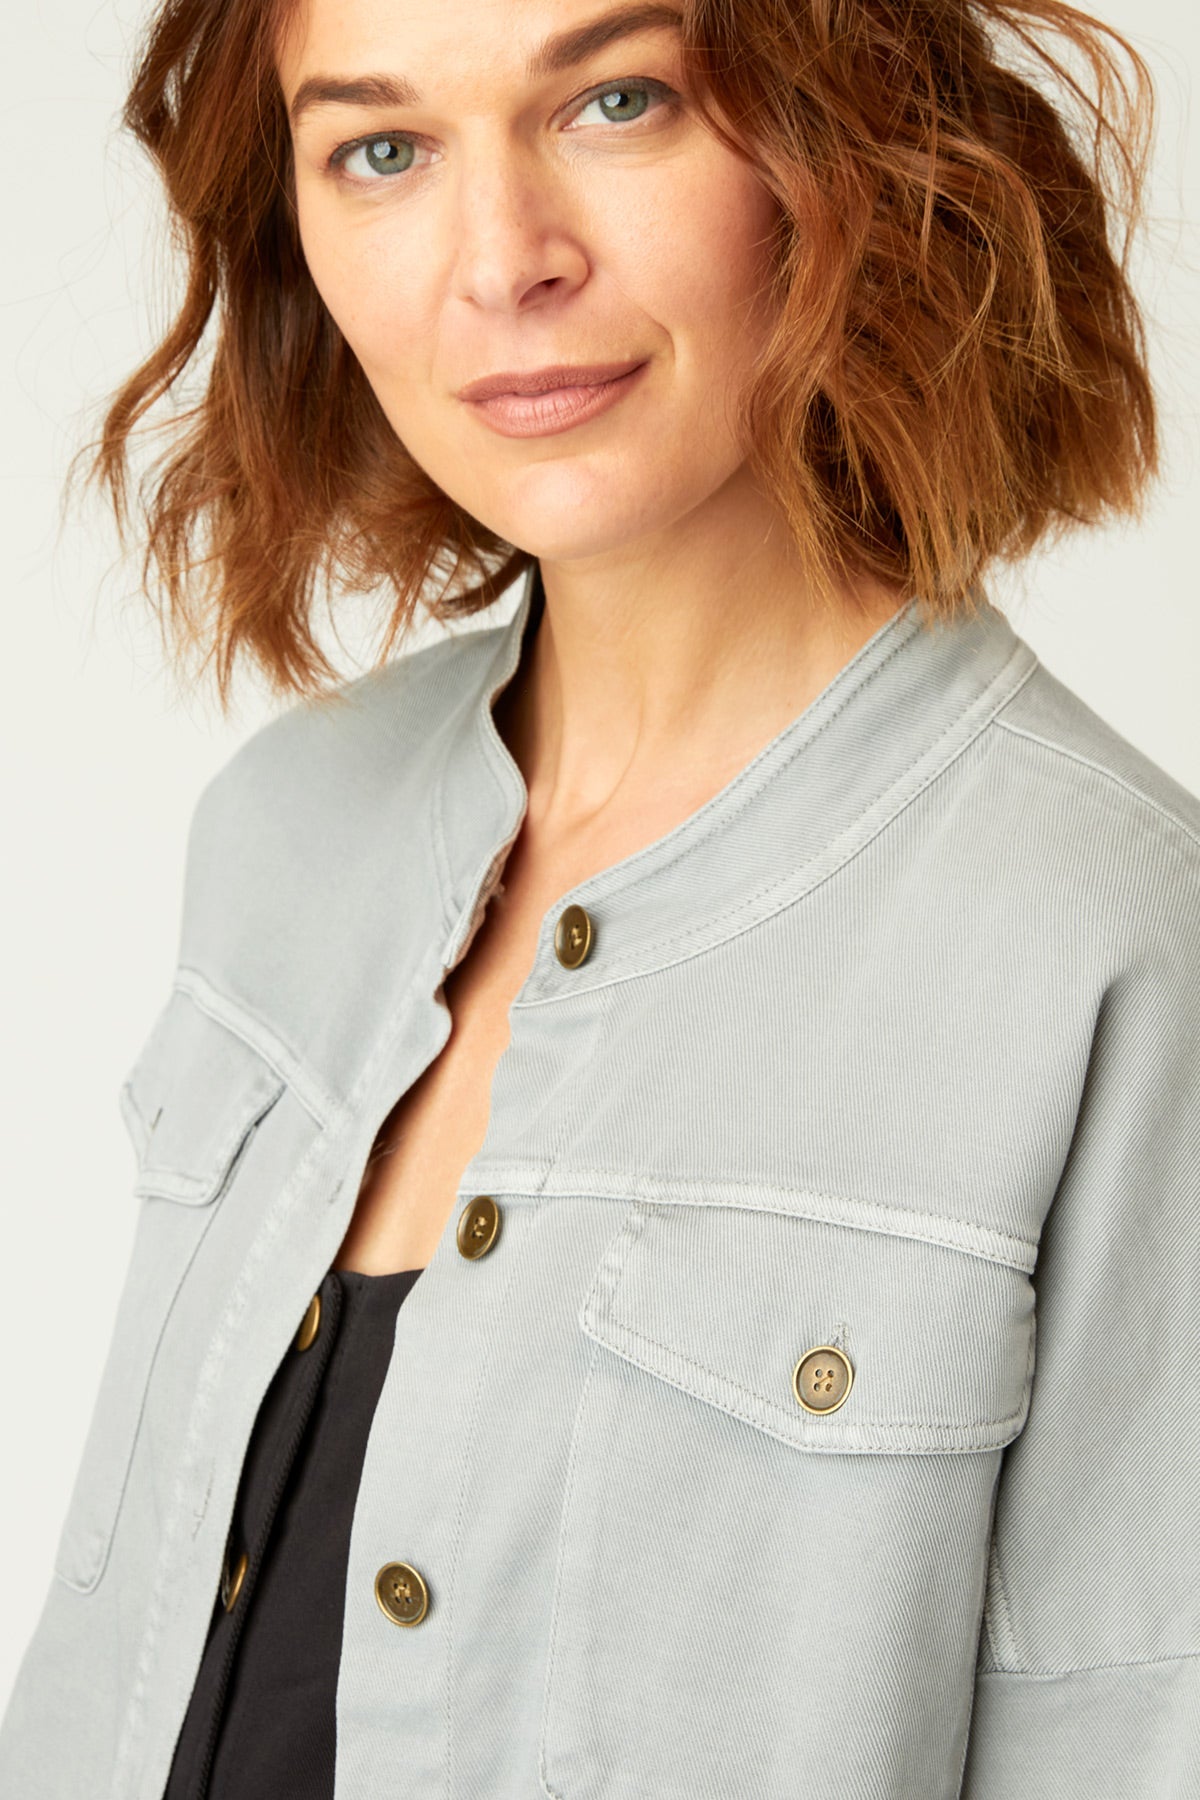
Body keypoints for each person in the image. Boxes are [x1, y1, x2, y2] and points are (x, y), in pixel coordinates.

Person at [1, 0, 1196, 1794]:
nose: (503, 262)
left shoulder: (1104, 952)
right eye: (380, 149)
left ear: (847, 142)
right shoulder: (285, 830)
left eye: (619, 101)